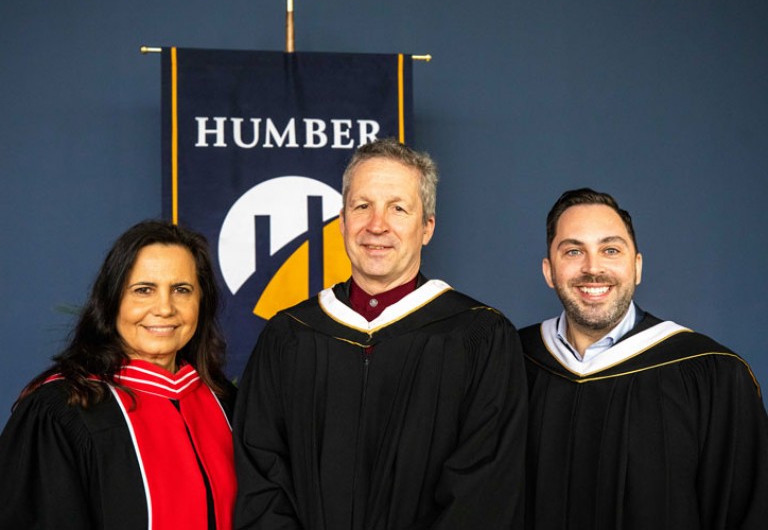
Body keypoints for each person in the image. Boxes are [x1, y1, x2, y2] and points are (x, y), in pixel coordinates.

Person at [233, 138, 527, 529]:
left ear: (427, 228)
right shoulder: (290, 336)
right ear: (342, 222)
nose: (377, 225)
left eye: (398, 209)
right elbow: (262, 479)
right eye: (362, 206)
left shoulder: (479, 337)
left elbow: (484, 494)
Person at [520, 187, 768, 530]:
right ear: (549, 271)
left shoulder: (713, 375)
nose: (593, 268)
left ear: (637, 267)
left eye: (610, 250)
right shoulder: (512, 362)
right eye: (574, 251)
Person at [0, 220, 237, 530]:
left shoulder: (226, 405)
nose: (164, 308)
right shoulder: (64, 408)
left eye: (181, 290)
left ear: (201, 303)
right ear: (112, 302)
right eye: (143, 290)